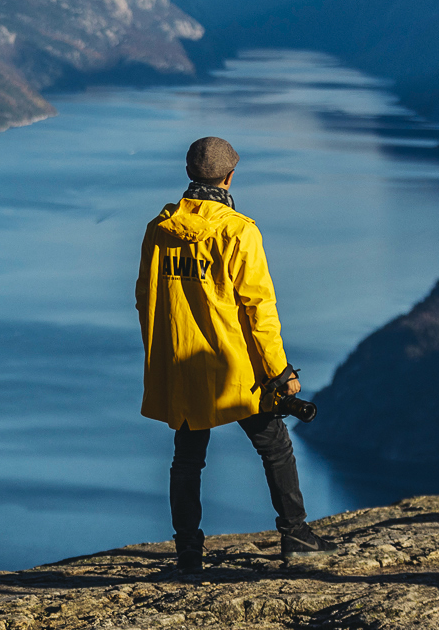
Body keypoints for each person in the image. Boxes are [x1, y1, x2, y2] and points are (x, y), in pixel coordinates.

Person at [136, 136, 329, 574]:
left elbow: (146, 299)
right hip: (233, 368)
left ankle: (188, 555)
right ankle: (297, 537)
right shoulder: (239, 230)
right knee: (275, 446)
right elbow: (259, 310)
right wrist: (280, 373)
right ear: (230, 176)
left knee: (187, 457)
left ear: (189, 173)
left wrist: (161, 356)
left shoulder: (158, 230)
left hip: (181, 365)